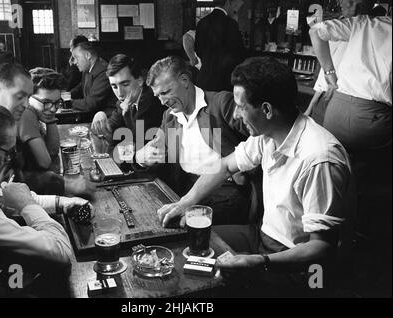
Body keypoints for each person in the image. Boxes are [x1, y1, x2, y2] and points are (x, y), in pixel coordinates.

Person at [157, 57, 354, 295]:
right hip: (262, 235)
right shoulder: (267, 135)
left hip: (301, 264)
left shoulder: (319, 157)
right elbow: (225, 166)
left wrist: (261, 262)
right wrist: (185, 202)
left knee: (214, 287)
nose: (237, 115)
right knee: (188, 245)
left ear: (267, 110)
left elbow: (321, 247)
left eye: (241, 107)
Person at [0, 97, 89, 297]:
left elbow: (4, 196)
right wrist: (28, 205)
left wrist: (61, 202)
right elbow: (60, 252)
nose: (8, 160)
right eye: (8, 153)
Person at [136, 56, 251, 225]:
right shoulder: (169, 116)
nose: (162, 101)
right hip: (185, 187)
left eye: (165, 92)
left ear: (184, 80)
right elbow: (156, 146)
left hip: (224, 191)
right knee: (150, 216)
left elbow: (261, 132)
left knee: (180, 224)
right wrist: (142, 156)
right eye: (158, 95)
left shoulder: (221, 103)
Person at [0, 63, 96, 198]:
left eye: (27, 97)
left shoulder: (3, 120)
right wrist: (63, 183)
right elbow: (5, 184)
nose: (26, 104)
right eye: (20, 97)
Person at [309, 5, 391, 153]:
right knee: (374, 171)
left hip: (336, 109)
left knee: (335, 163)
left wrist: (329, 72)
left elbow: (315, 31)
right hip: (370, 117)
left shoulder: (364, 23)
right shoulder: (363, 23)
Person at [304, 0, 381, 125]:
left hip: (339, 100)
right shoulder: (337, 28)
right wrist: (311, 106)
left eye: (343, 0)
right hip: (327, 99)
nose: (339, 3)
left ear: (356, 3)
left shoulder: (362, 31)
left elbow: (329, 76)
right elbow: (324, 78)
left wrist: (311, 107)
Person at [90, 54, 165, 151]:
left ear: (140, 80)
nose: (120, 93)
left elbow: (139, 143)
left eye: (125, 84)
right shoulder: (124, 102)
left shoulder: (151, 100)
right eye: (114, 86)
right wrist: (101, 118)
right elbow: (112, 131)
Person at [18, 67, 64, 176]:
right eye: (46, 102)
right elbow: (45, 163)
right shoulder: (26, 114)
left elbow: (52, 151)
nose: (53, 109)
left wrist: (51, 118)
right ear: (29, 97)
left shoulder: (36, 112)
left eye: (57, 102)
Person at [194, 0, 245, 92]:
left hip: (204, 79)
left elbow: (198, 49)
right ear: (228, 3)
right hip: (224, 82)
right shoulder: (231, 24)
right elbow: (239, 54)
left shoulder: (202, 22)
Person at [70, 41, 114, 114]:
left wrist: (67, 102)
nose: (74, 62)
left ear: (87, 55)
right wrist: (65, 96)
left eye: (76, 57)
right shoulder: (87, 69)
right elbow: (80, 88)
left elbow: (91, 104)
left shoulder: (103, 71)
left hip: (107, 117)